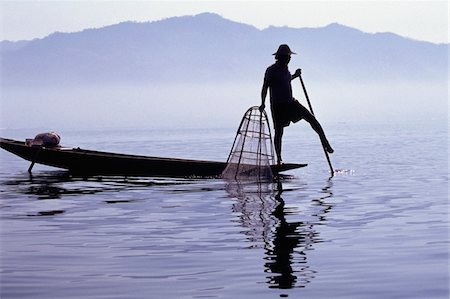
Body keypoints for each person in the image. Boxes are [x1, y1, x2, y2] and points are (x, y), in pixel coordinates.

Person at [260, 44, 334, 165]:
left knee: (312, 119)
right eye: (288, 56)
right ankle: (279, 159)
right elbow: (265, 87)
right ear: (281, 57)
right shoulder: (271, 70)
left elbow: (286, 80)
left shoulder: (286, 69)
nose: (290, 59)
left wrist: (295, 75)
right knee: (279, 132)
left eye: (290, 57)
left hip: (291, 103)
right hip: (278, 106)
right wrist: (262, 103)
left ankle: (326, 143)